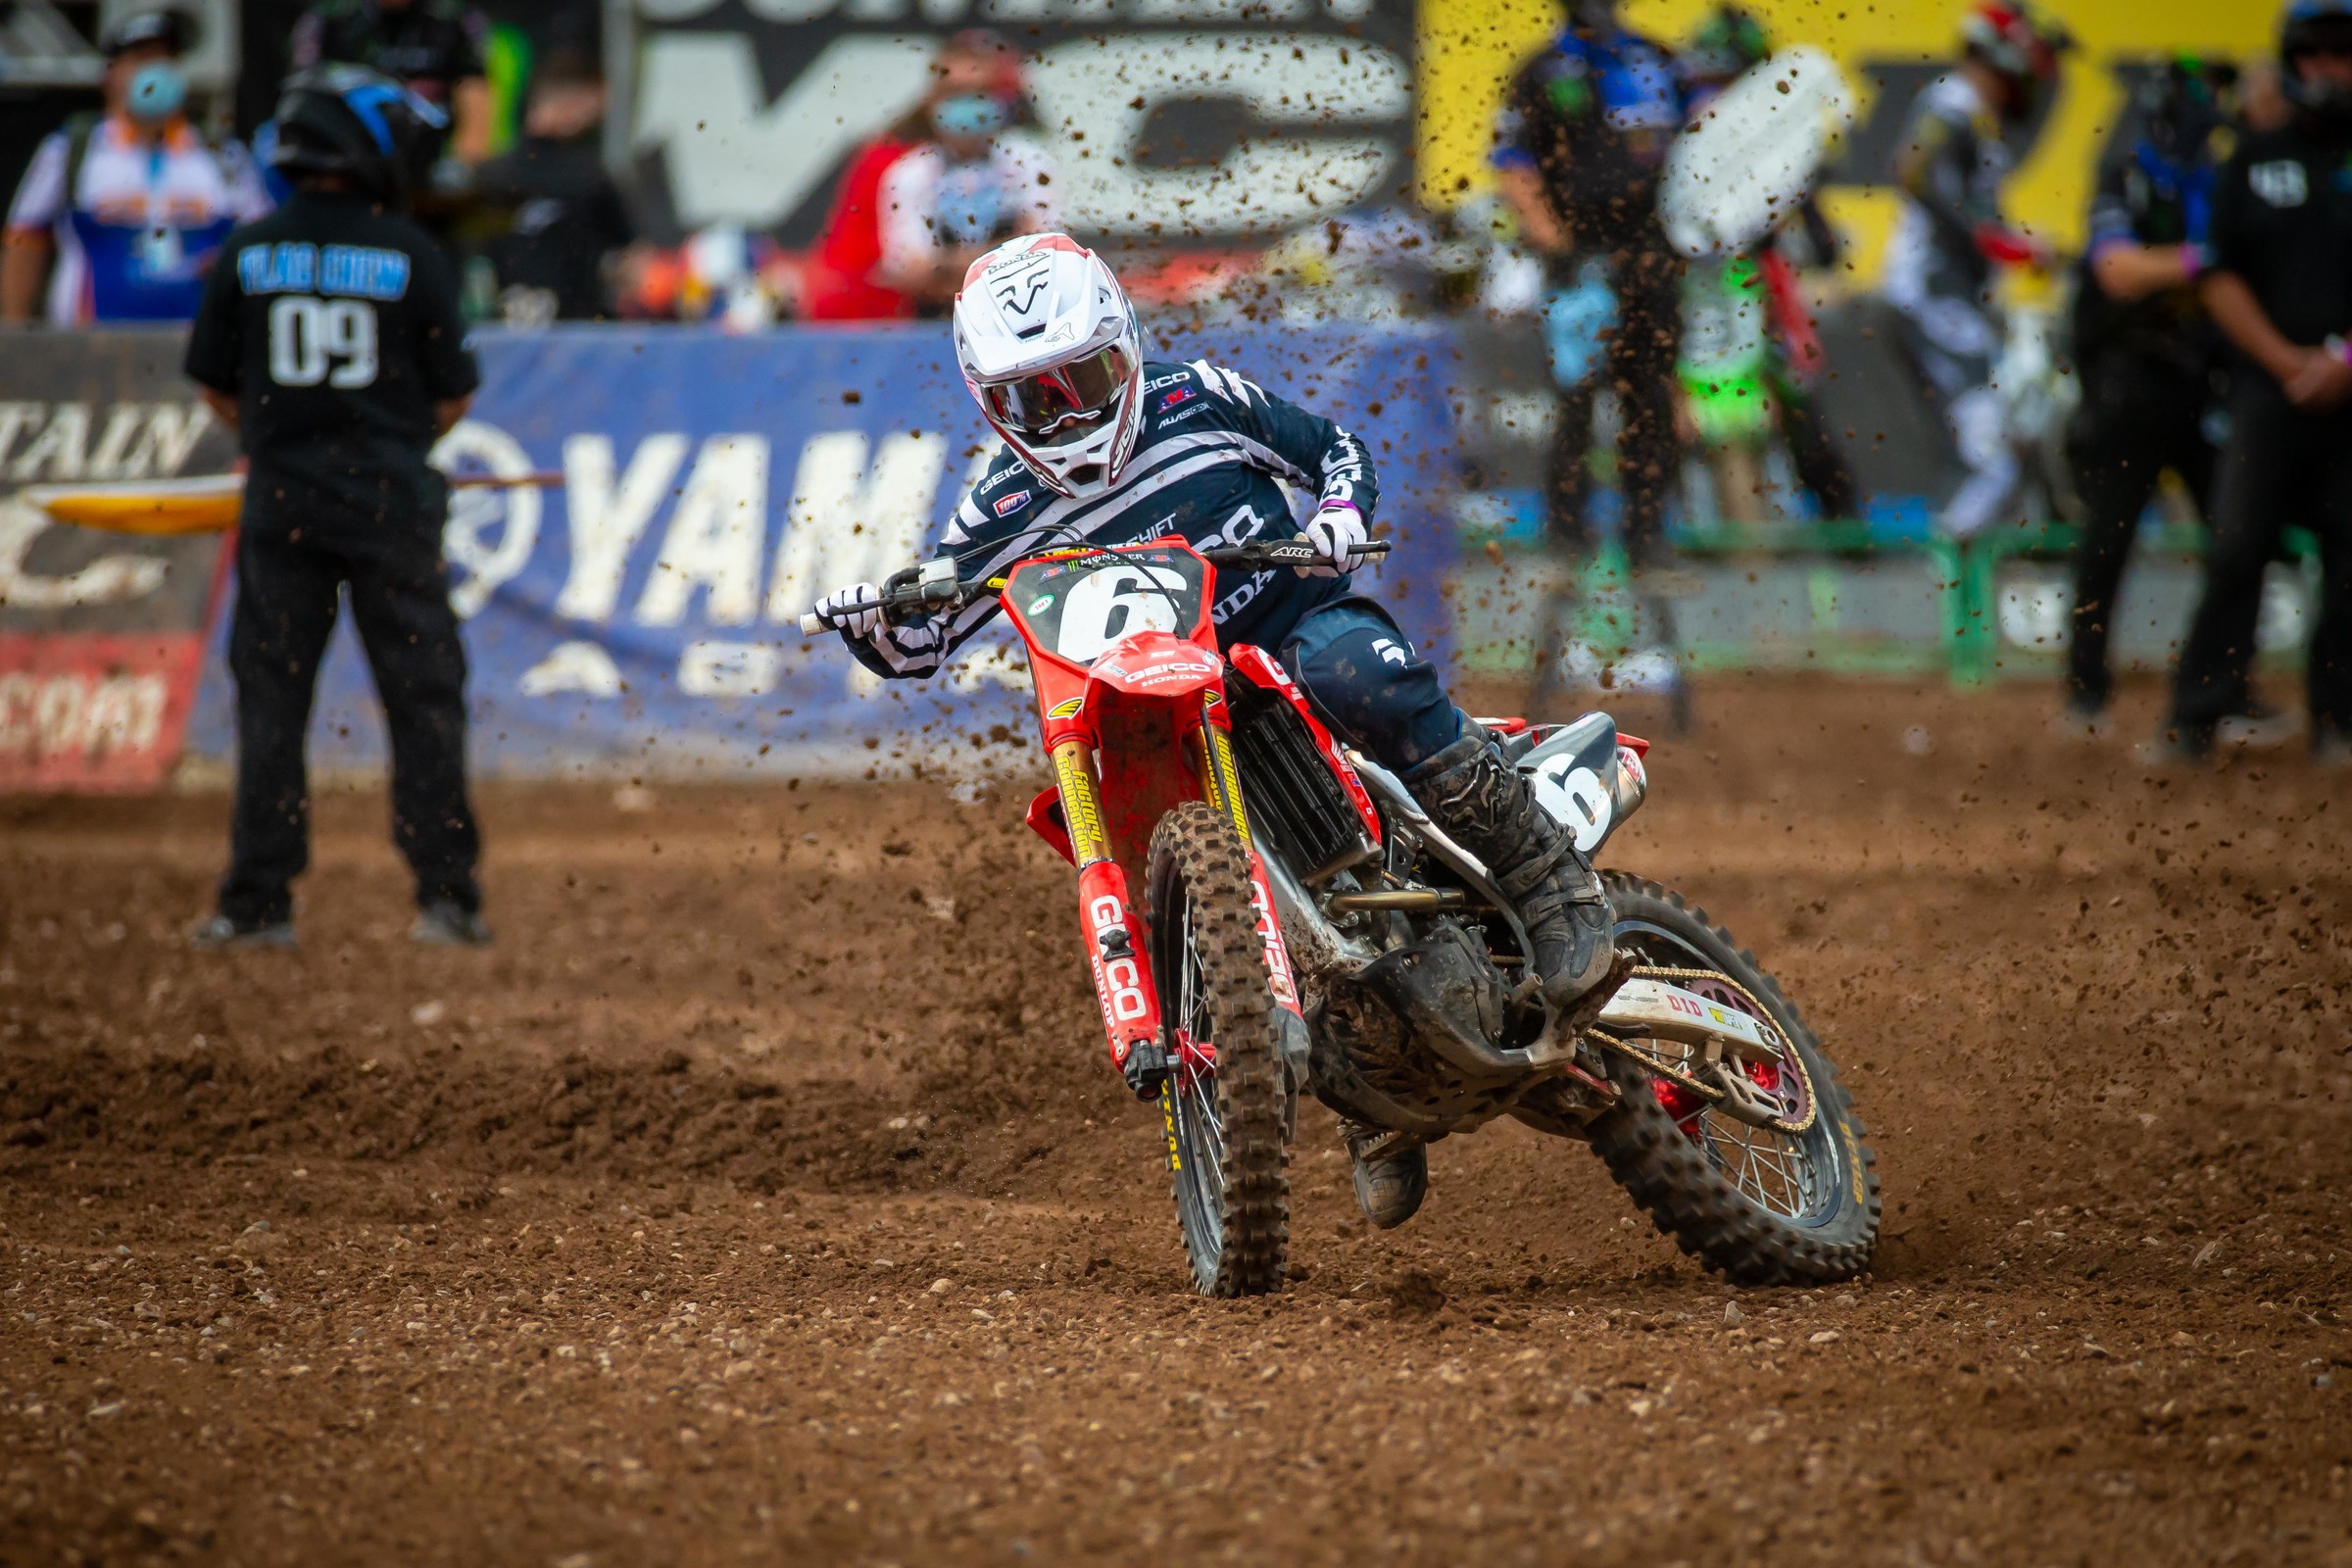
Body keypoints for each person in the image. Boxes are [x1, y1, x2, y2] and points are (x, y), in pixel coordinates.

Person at [808, 232, 1618, 1228]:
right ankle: (1368, 1091)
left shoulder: (1195, 400)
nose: (1067, 412)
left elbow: (1334, 448)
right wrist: (874, 621)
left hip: (1295, 637)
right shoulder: (1003, 503)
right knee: (1152, 831)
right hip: (1170, 714)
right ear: (989, 399)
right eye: (1034, 398)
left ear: (1127, 345)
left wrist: (1336, 514)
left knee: (1348, 670)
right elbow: (921, 641)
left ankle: (1542, 875)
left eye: (1085, 379)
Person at [182, 66, 490, 948]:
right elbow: (452, 397)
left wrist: (288, 440)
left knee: (272, 705)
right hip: (394, 510)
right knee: (425, 701)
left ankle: (256, 904)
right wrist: (383, 442)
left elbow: (215, 385)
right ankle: (448, 899)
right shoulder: (413, 254)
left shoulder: (248, 252)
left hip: (281, 509)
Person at [2150, 0, 2352, 768]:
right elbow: (2218, 273)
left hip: (2349, 390)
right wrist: (2285, 360)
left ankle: (2341, 720)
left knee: (2351, 557)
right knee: (2236, 546)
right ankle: (2200, 709)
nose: (2332, 72)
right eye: (2318, 56)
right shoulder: (2251, 160)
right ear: (2295, 62)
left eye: (2345, 55)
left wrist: (2342, 362)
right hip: (2269, 392)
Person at [1491, 0, 1690, 720]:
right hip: (1578, 265)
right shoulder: (1543, 71)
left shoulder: (1661, 61)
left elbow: (1709, 157)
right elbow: (1516, 171)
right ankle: (1565, 535)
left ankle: (1648, 532)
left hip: (1653, 263)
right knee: (1575, 404)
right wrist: (1562, 250)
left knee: (1651, 401)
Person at [2059, 60, 2237, 740]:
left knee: (2235, 540)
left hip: (2198, 381)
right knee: (2108, 540)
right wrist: (2201, 264)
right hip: (2128, 385)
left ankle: (2229, 686)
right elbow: (2117, 270)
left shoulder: (2217, 182)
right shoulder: (2127, 176)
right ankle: (2086, 688)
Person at [1884, 1, 2073, 539]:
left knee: (2007, 439)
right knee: (1989, 453)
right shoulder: (1951, 104)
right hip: (1933, 298)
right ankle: (1943, 592)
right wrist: (2002, 242)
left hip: (1958, 300)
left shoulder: (1973, 116)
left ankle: (1971, 590)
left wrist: (2006, 243)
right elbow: (1914, 170)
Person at [2, 9, 271, 324]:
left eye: (165, 59)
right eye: (141, 59)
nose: (155, 70)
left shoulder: (222, 156)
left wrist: (230, 264)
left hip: (194, 348)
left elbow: (261, 243)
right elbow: (25, 238)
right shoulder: (71, 150)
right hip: (89, 348)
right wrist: (14, 333)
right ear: (112, 74)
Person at [871, 30, 1059, 317]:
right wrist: (1001, 255)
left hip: (1027, 314)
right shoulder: (907, 174)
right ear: (932, 101)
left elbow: (1048, 250)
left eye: (978, 93)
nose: (967, 105)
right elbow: (908, 270)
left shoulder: (1031, 162)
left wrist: (945, 266)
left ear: (1001, 101)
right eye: (954, 93)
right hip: (938, 322)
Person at [470, 54, 634, 322]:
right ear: (577, 102)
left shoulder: (490, 174)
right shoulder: (589, 177)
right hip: (574, 333)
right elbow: (627, 257)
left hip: (499, 330)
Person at [290, 0, 492, 166]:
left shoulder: (456, 17)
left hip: (431, 159)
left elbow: (475, 97)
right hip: (347, 160)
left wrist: (463, 165)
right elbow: (301, 101)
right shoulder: (329, 17)